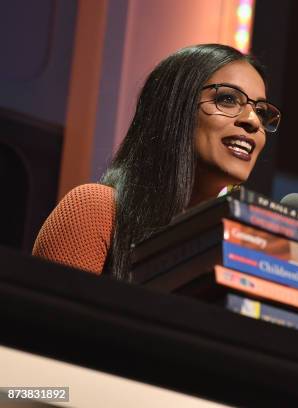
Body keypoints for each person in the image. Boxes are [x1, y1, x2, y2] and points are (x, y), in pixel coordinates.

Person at [32, 44, 281, 282]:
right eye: (227, 99)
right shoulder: (96, 210)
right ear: (174, 110)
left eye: (260, 111)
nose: (253, 121)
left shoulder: (240, 248)